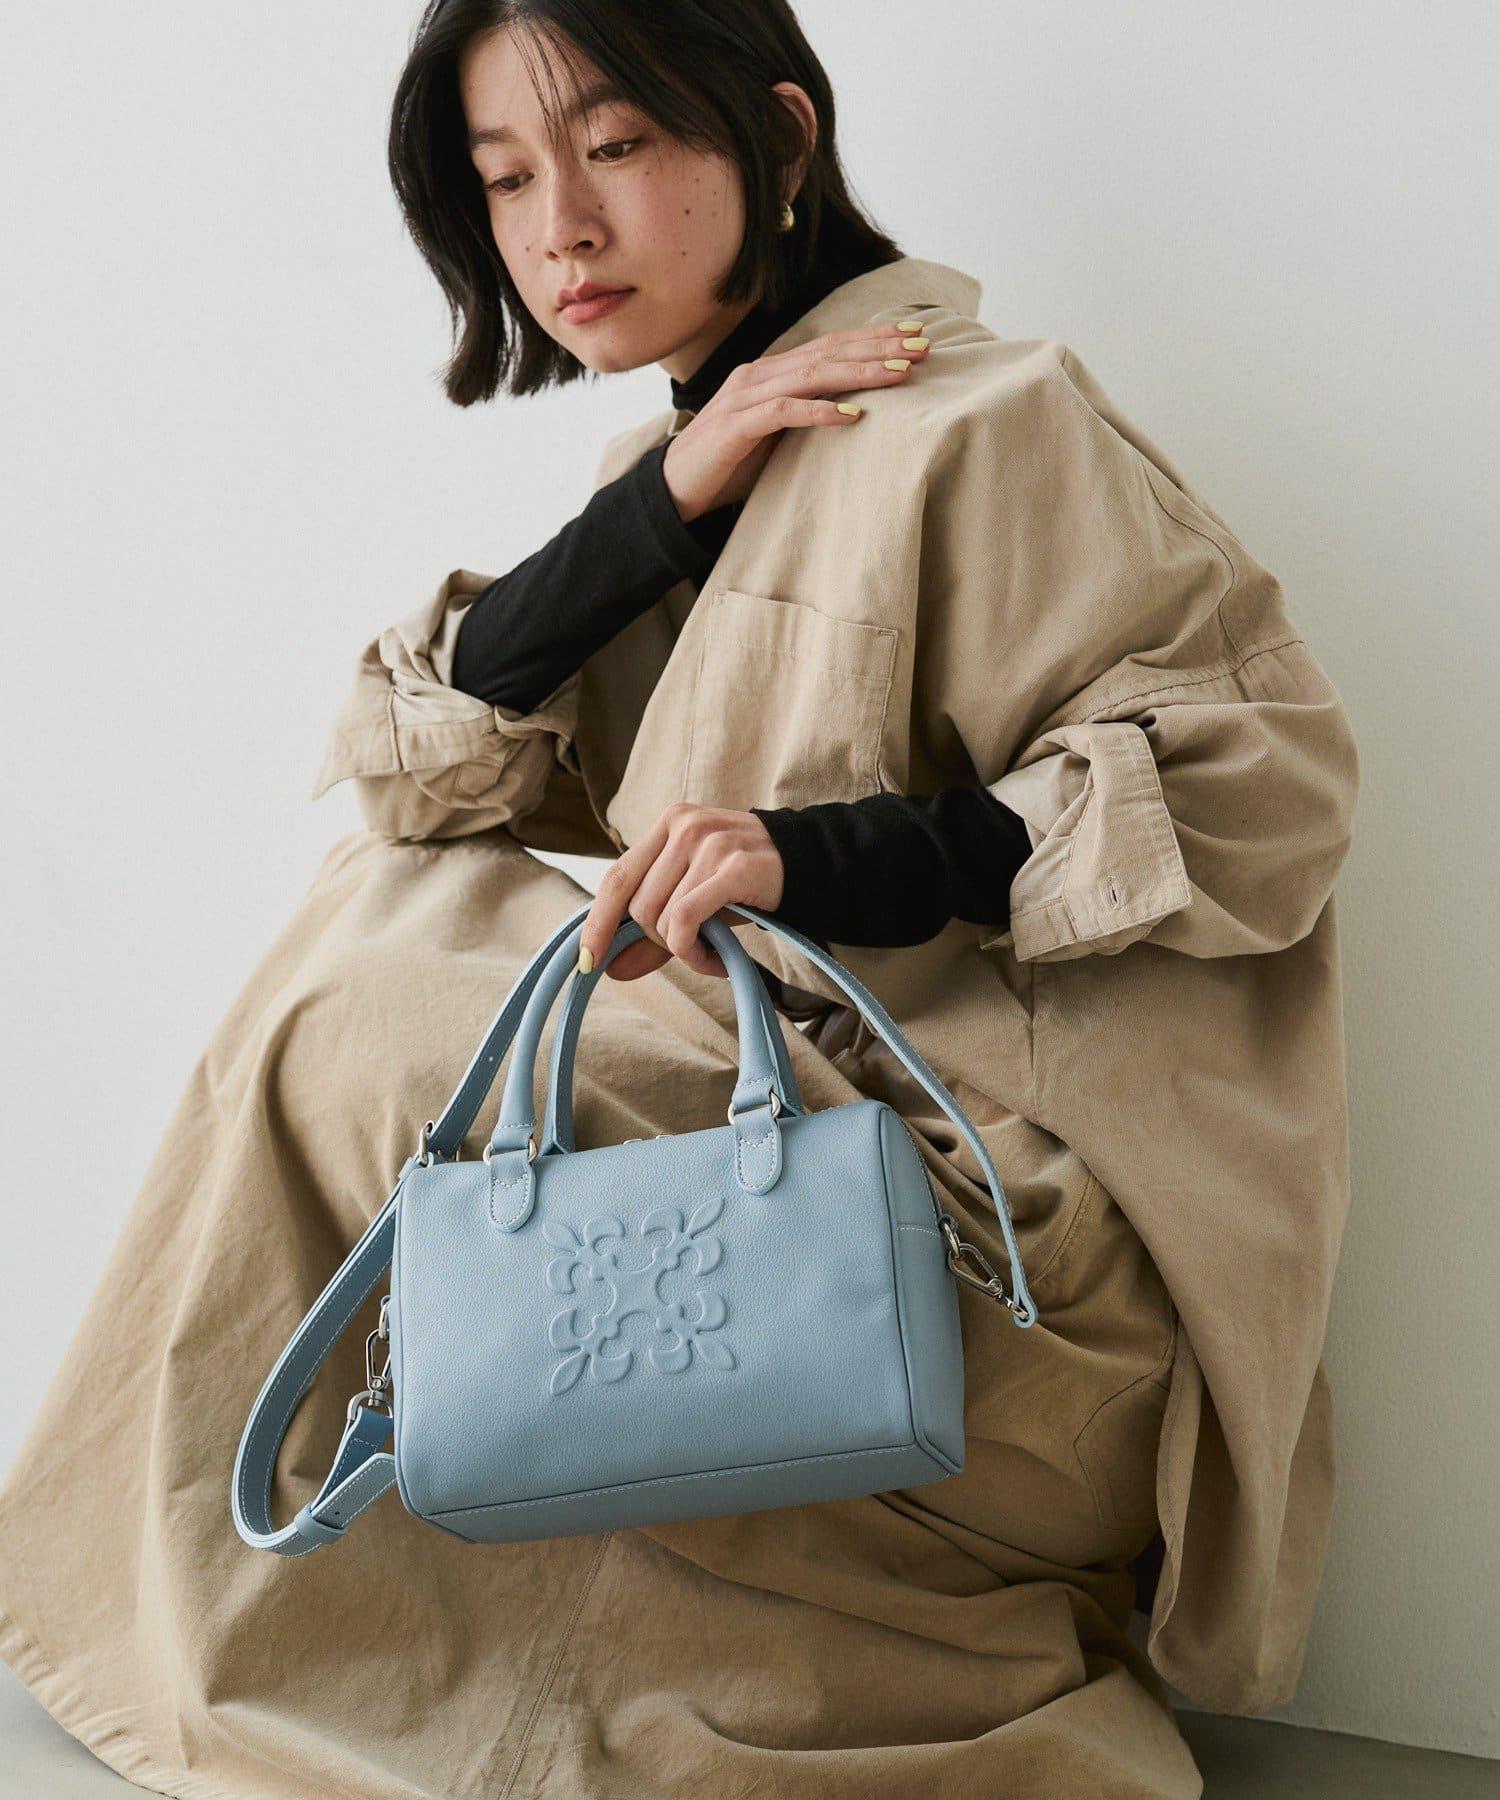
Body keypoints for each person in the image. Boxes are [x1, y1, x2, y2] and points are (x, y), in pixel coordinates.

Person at [0, 3, 1360, 1796]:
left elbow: (1262, 786)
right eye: (506, 180)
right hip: (804, 1187)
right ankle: (283, 1590)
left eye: (617, 147)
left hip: (1013, 1262)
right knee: (388, 912)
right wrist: (661, 504)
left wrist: (817, 857)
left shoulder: (994, 418)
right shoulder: (713, 461)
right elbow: (419, 769)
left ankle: (224, 1576)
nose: (559, 228)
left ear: (780, 144)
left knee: (379, 966)